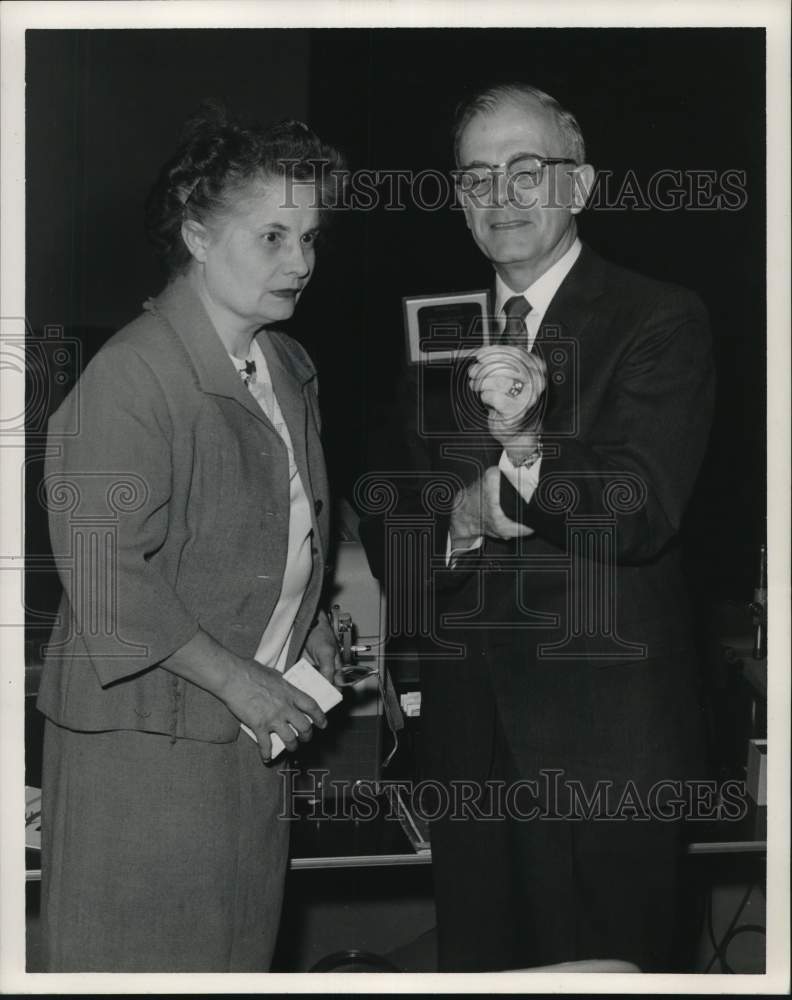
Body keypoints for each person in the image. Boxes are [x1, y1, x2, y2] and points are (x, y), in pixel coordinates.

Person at [360, 83, 715, 972]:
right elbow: (386, 520)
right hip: (468, 746)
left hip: (607, 753)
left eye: (527, 172)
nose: (501, 198)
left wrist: (524, 452)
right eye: (478, 177)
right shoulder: (433, 332)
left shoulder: (660, 317)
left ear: (583, 184)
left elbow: (640, 507)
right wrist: (459, 517)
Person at [37, 108, 346, 972]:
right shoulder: (133, 375)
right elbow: (103, 575)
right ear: (199, 236)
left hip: (248, 737)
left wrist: (305, 619)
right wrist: (241, 682)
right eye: (275, 236)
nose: (302, 263)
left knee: (231, 961)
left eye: (312, 238)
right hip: (145, 752)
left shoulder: (285, 365)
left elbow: (282, 522)